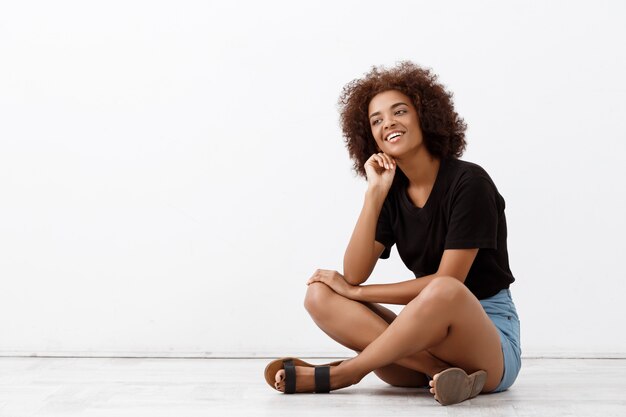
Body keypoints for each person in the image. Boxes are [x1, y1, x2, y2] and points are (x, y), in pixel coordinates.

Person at [263, 62, 521, 406]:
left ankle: (347, 372)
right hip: (422, 343)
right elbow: (354, 272)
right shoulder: (391, 192)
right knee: (320, 294)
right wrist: (374, 193)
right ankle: (436, 372)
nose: (389, 123)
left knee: (443, 288)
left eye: (400, 111)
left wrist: (357, 293)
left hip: (489, 345)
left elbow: (447, 285)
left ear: (425, 116)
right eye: (376, 120)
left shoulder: (469, 183)